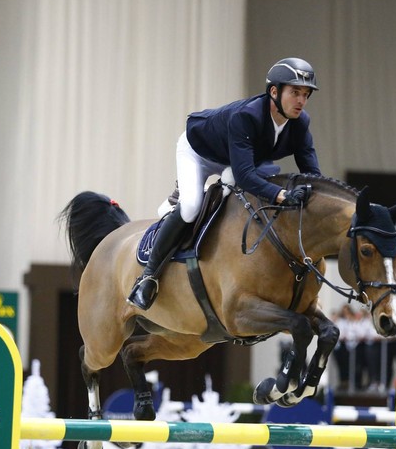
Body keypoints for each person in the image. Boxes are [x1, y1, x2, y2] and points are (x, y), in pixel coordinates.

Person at [128, 57, 323, 310]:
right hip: (199, 152)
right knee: (191, 208)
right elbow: (245, 176)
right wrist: (282, 196)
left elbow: (312, 171)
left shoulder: (300, 123)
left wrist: (315, 194)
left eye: (306, 94)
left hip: (236, 160)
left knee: (237, 181)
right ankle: (148, 276)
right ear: (274, 92)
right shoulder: (247, 116)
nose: (301, 101)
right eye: (295, 92)